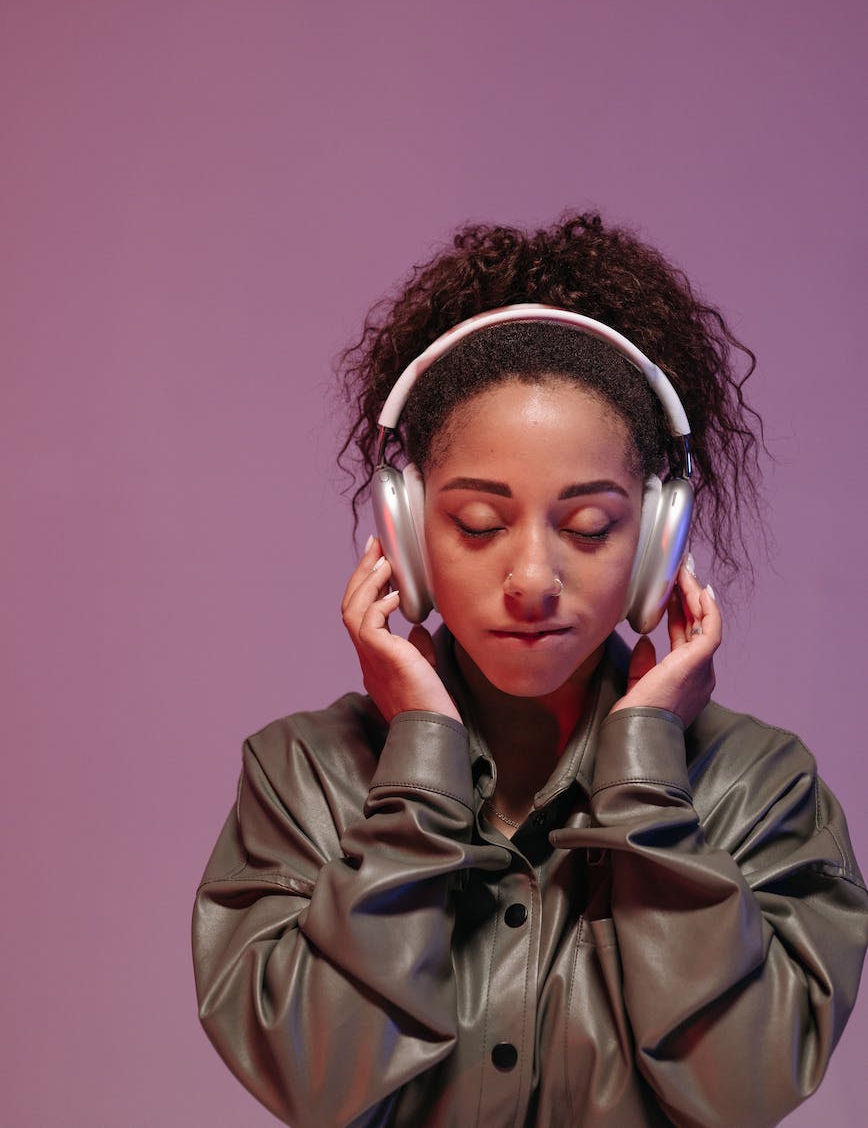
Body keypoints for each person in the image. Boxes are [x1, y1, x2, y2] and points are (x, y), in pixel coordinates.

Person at [192, 213, 867, 1128]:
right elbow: (319, 1081)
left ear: (658, 542)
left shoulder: (761, 791)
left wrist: (647, 786)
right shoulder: (301, 780)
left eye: (590, 528)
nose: (534, 581)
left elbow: (742, 1090)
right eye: (477, 523)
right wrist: (419, 773)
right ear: (407, 533)